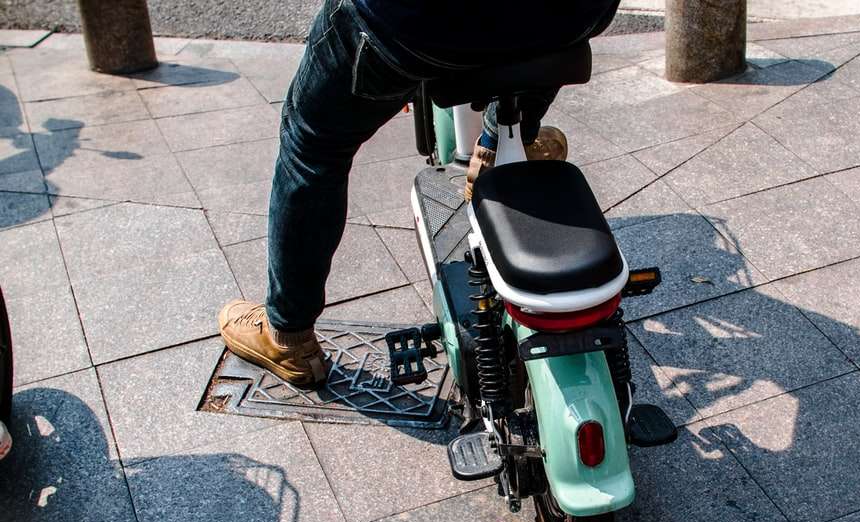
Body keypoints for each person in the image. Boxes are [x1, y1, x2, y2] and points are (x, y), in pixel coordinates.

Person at [218, 0, 620, 388]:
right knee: (543, 23)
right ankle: (502, 138)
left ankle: (288, 336)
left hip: (423, 23)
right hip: (575, 13)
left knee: (313, 146)